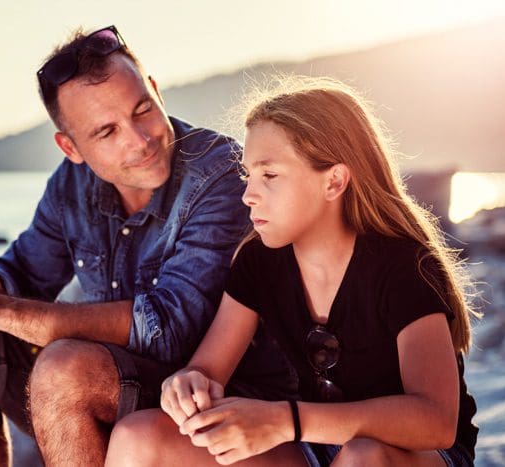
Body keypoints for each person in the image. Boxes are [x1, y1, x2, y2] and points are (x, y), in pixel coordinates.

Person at [0, 25, 277, 466]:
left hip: (202, 393)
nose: (139, 140)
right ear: (71, 147)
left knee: (64, 369)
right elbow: (26, 272)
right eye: (106, 132)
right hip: (111, 379)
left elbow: (169, 327)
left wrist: (7, 312)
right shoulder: (73, 184)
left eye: (142, 110)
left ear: (157, 92)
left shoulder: (220, 174)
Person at [105, 76, 479, 467]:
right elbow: (208, 369)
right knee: (138, 436)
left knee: (363, 456)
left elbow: (436, 422)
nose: (248, 194)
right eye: (248, 175)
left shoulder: (405, 266)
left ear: (334, 181)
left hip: (416, 454)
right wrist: (187, 384)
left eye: (269, 175)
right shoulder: (259, 261)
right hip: (311, 445)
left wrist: (286, 421)